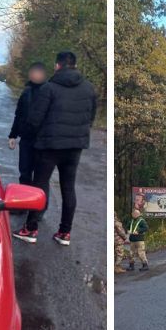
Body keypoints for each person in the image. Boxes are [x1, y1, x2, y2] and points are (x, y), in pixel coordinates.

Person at [12, 51, 97, 246]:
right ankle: (65, 233)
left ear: (57, 66)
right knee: (69, 188)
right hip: (75, 148)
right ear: (74, 65)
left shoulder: (49, 88)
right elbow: (90, 118)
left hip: (49, 146)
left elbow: (35, 120)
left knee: (39, 184)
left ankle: (31, 229)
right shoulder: (89, 89)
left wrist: (31, 135)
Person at [9, 62, 48, 189]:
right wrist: (12, 136)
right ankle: (23, 206)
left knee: (40, 178)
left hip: (42, 142)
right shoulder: (26, 92)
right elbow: (18, 115)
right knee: (24, 173)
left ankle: (35, 208)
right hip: (26, 140)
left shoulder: (50, 92)